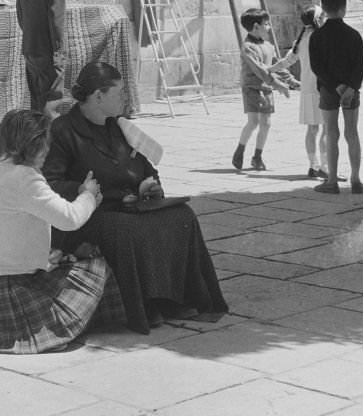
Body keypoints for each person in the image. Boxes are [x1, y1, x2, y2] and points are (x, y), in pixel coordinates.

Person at [43, 62, 229, 334]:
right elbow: (50, 182)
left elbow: (146, 167)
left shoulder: (120, 128)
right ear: (98, 96)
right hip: (91, 214)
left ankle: (177, 299)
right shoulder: (63, 131)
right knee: (126, 231)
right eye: (119, 93)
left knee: (182, 217)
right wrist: (84, 191)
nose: (125, 98)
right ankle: (145, 305)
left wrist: (150, 186)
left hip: (130, 205)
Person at [0, 109, 125, 353]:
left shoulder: (3, 171)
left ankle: (66, 324)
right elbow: (70, 219)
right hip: (12, 289)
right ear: (32, 145)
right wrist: (88, 195)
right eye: (44, 145)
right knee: (94, 268)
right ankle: (60, 329)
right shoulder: (25, 178)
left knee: (70, 263)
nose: (48, 151)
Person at [309, 0, 363, 195]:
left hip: (328, 89)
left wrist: (335, 85)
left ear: (323, 8)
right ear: (344, 8)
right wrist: (351, 87)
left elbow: (317, 67)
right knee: (352, 132)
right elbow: (361, 65)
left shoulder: (317, 36)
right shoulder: (353, 35)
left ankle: (332, 180)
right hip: (351, 90)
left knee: (331, 132)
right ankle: (356, 179)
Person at [230, 8, 296, 173]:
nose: (269, 27)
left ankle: (257, 156)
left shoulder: (268, 46)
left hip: (266, 89)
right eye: (266, 24)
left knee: (266, 123)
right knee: (253, 122)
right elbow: (259, 69)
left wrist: (292, 81)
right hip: (252, 88)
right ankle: (240, 149)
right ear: (255, 26)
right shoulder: (248, 47)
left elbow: (277, 65)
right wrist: (278, 84)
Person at [16, 0, 66, 115]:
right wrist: (59, 50)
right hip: (49, 48)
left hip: (30, 46)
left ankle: (37, 129)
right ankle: (50, 130)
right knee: (52, 96)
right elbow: (56, 18)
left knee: (36, 95)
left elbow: (21, 15)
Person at [279, 5, 327, 178]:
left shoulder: (301, 40)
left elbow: (286, 62)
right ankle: (325, 167)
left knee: (312, 129)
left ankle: (313, 166)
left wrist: (269, 69)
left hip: (307, 88)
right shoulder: (323, 38)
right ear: (318, 19)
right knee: (327, 129)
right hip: (322, 87)